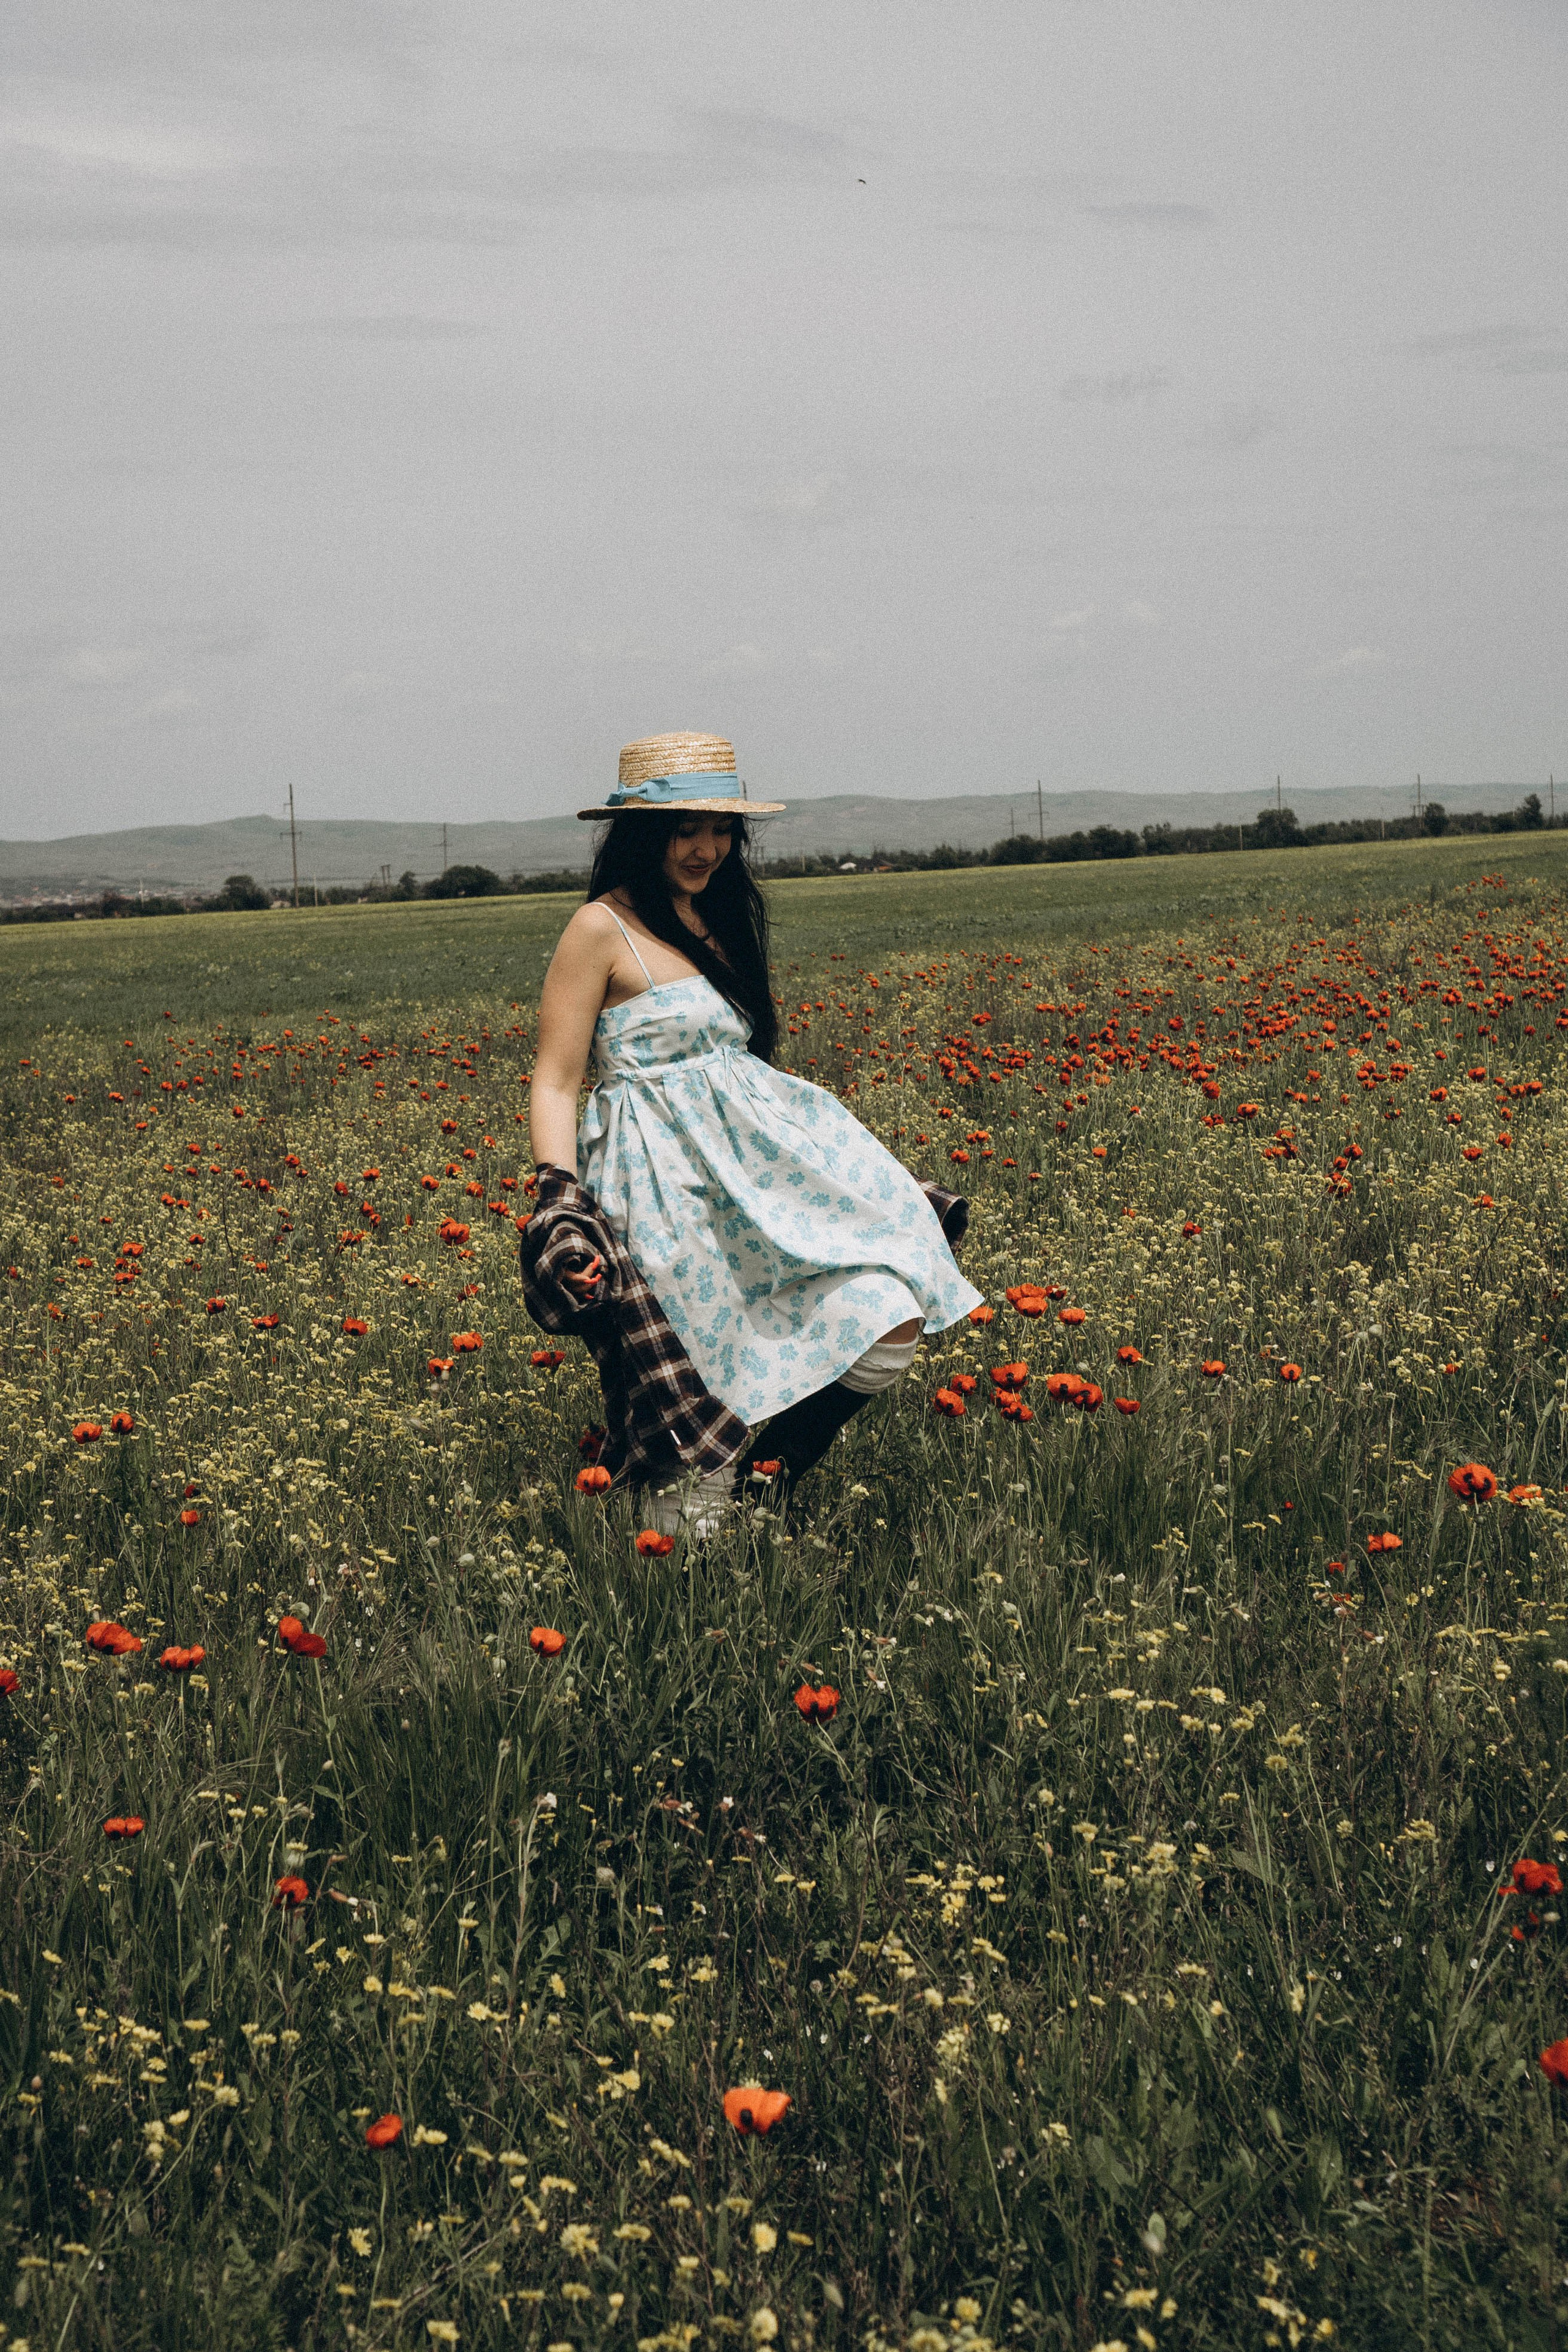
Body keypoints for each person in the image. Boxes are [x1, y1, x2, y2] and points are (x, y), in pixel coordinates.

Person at [525, 731, 982, 1532]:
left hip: (752, 1181)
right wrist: (559, 1201)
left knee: (887, 1313)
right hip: (657, 1189)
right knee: (696, 1386)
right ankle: (696, 1515)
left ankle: (766, 1488)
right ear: (643, 831)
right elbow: (557, 1079)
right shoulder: (600, 929)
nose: (707, 848)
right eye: (686, 828)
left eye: (721, 829)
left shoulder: (719, 920)